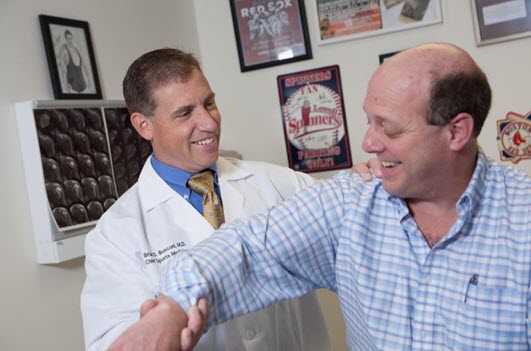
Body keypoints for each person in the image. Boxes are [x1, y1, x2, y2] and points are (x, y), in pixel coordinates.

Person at [109, 42, 531, 351]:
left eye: (389, 128)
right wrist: (173, 308)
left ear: (456, 131)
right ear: (143, 125)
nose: (368, 142)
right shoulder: (353, 203)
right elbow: (250, 248)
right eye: (369, 122)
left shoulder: (523, 219)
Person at [80, 48, 331, 351]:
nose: (210, 123)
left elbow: (349, 226)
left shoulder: (280, 183)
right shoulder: (115, 235)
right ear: (144, 125)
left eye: (209, 103)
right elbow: (114, 342)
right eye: (185, 113)